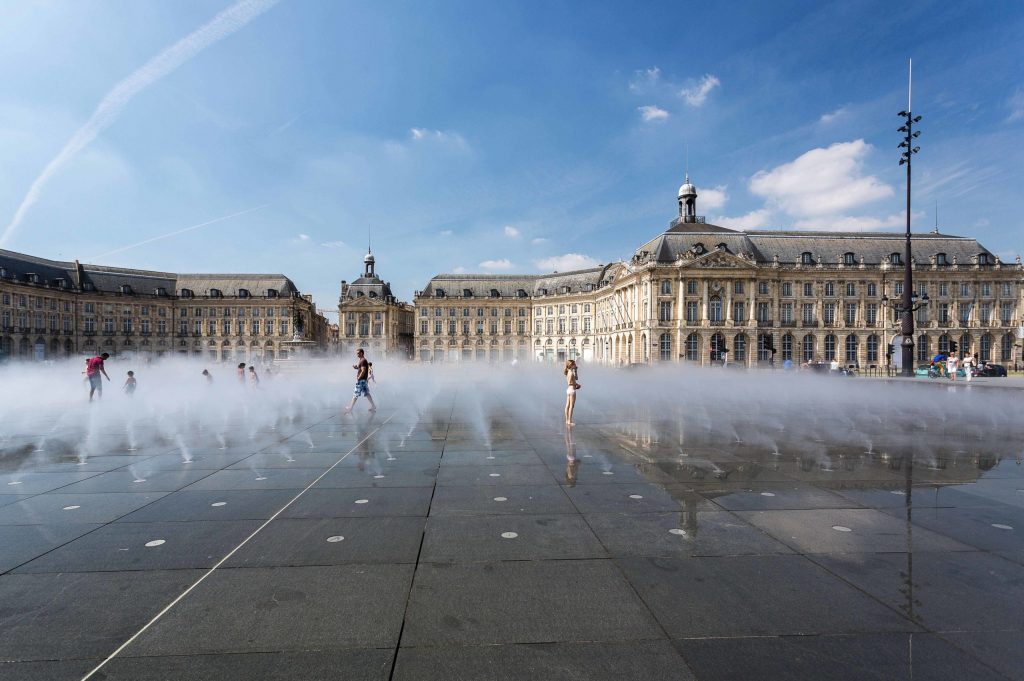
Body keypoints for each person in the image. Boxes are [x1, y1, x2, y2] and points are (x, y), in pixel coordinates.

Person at [344, 348, 376, 414]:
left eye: (358, 353)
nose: (357, 354)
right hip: (363, 380)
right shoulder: (362, 360)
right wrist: (356, 367)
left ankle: (350, 407)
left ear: (362, 353)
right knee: (367, 393)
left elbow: (363, 370)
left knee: (355, 394)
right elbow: (361, 369)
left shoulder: (363, 360)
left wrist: (359, 377)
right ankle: (373, 405)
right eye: (357, 353)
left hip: (361, 380)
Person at [564, 359, 580, 425]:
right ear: (572, 365)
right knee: (571, 406)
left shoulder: (568, 371)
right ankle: (569, 421)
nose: (575, 365)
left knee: (567, 405)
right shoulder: (570, 373)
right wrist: (577, 385)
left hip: (568, 390)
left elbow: (576, 378)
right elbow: (570, 382)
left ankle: (567, 420)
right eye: (574, 364)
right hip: (572, 390)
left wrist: (576, 371)